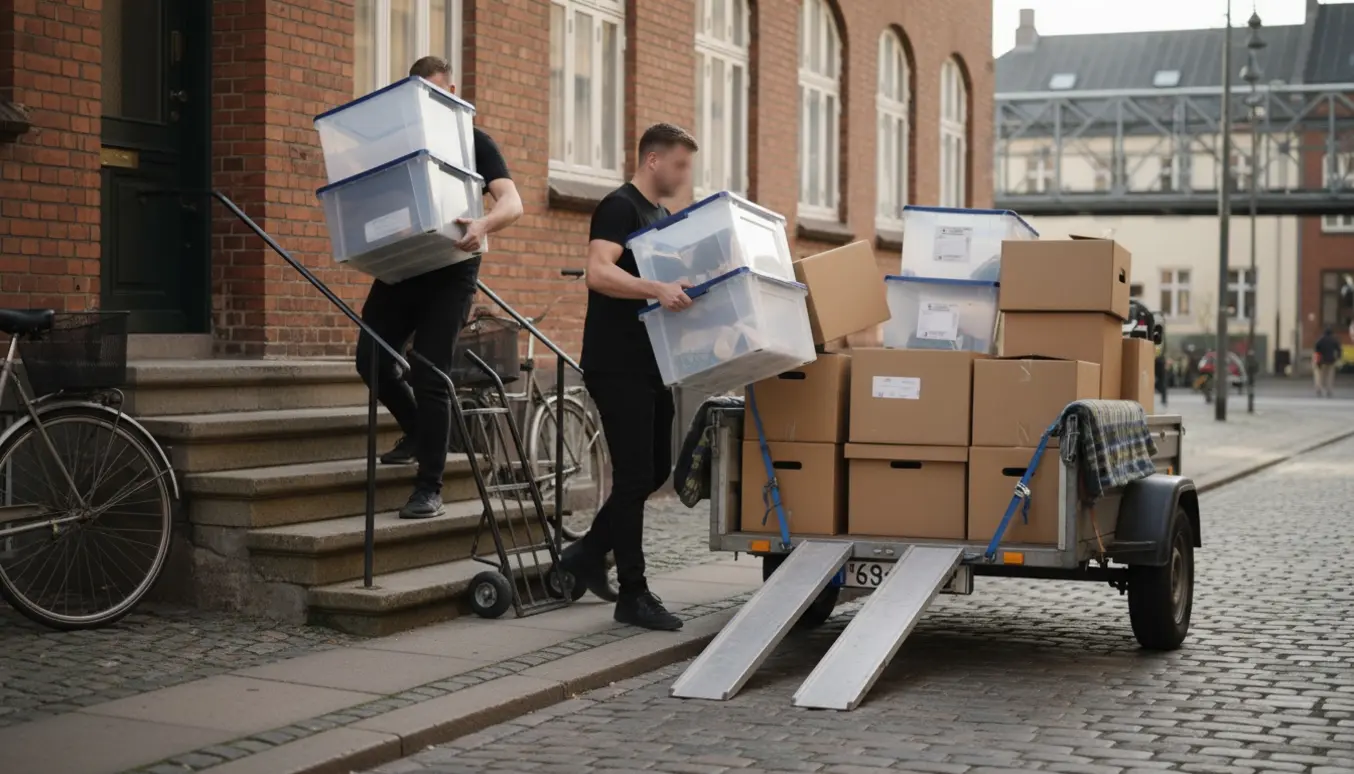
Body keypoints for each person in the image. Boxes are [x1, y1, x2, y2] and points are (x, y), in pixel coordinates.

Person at [358, 56, 524, 520]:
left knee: (430, 368)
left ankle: (429, 487)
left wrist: (484, 224)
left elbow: (513, 202)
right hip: (405, 265)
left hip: (453, 267)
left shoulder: (473, 141)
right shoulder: (400, 145)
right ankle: (417, 429)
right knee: (369, 359)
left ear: (451, 92)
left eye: (437, 95)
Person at [559, 123, 699, 631]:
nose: (686, 176)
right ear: (653, 160)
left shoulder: (659, 216)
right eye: (681, 165)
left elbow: (661, 285)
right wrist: (657, 289)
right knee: (635, 474)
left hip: (652, 363)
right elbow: (598, 272)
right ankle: (633, 594)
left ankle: (589, 553)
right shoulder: (619, 206)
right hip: (616, 362)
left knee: (657, 468)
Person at [1313, 327, 1341, 398]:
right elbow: (1339, 350)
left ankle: (1319, 389)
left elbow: (1316, 350)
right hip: (1331, 361)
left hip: (1321, 361)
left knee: (1320, 376)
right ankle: (1329, 390)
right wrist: (1338, 358)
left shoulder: (1320, 340)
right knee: (1330, 376)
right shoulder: (1334, 340)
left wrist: (1316, 360)